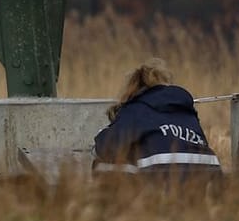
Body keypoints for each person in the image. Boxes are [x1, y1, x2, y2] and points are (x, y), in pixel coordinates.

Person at [92, 60, 222, 178]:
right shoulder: (187, 112)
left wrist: (102, 133)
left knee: (104, 164)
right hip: (211, 178)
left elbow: (107, 146)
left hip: (164, 182)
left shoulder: (136, 108)